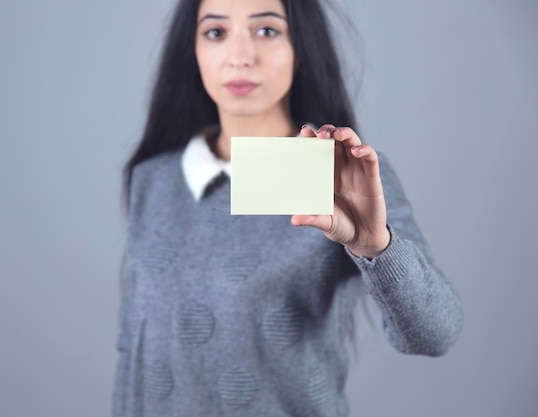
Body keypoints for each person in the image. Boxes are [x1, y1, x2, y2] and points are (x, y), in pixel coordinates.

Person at [113, 0, 463, 415]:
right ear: (192, 51)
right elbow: (133, 357)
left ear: (301, 46)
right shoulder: (155, 178)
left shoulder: (345, 175)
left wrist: (376, 247)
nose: (240, 57)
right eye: (215, 32)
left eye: (266, 30)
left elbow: (435, 335)